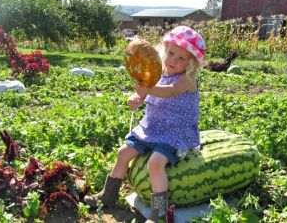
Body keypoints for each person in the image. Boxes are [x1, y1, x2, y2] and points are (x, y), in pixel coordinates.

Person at [84, 26, 206, 222]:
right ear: (165, 50)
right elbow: (142, 94)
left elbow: (169, 91)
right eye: (171, 53)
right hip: (151, 128)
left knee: (155, 164)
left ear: (192, 63)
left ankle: (159, 214)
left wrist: (147, 88)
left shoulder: (187, 79)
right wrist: (135, 98)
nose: (173, 60)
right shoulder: (157, 72)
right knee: (123, 153)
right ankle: (108, 196)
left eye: (181, 58)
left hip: (174, 133)